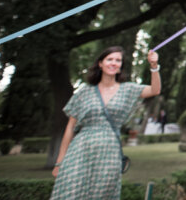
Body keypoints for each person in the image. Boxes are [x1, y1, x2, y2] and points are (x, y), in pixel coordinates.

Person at [51, 46, 161, 200]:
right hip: (80, 150)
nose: (114, 63)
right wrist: (59, 162)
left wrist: (154, 67)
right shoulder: (84, 92)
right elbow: (70, 127)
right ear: (100, 64)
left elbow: (154, 90)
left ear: (120, 66)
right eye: (110, 59)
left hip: (109, 152)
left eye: (118, 60)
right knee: (69, 192)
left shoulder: (128, 89)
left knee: (101, 195)